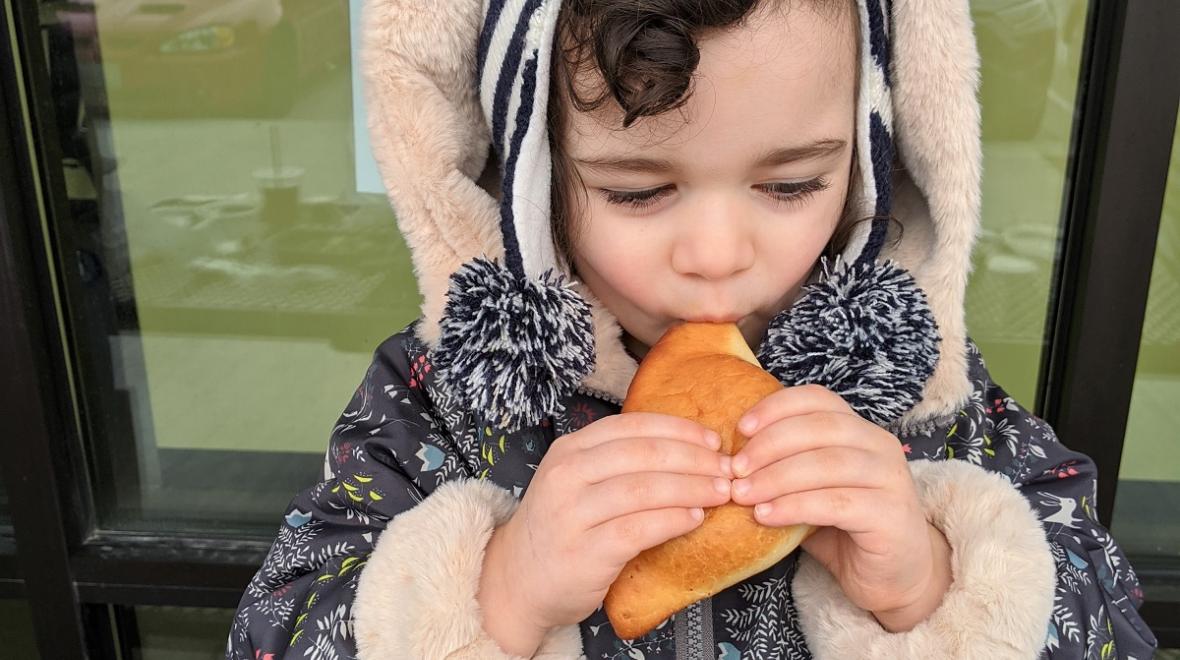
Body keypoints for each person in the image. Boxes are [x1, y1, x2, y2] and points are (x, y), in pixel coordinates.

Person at [227, 0, 1159, 657]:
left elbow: (1113, 624)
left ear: (871, 166)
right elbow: (272, 635)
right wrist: (497, 596)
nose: (716, 254)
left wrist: (932, 579)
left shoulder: (919, 401)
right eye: (639, 190)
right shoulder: (443, 399)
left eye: (791, 184)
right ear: (537, 178)